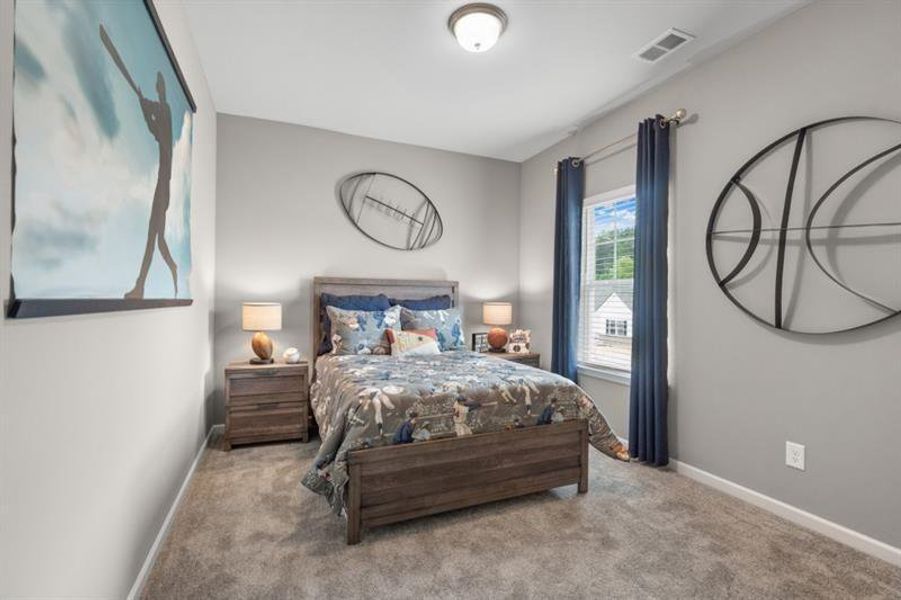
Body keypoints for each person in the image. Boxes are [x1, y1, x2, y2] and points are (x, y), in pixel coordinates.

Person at [123, 72, 178, 299]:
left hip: (162, 186)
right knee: (159, 239)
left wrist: (143, 103)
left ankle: (140, 286)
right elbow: (152, 127)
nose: (160, 88)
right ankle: (171, 268)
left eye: (160, 85)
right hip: (164, 186)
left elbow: (154, 118)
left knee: (151, 238)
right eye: (159, 85)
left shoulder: (165, 110)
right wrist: (143, 105)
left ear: (160, 88)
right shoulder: (164, 119)